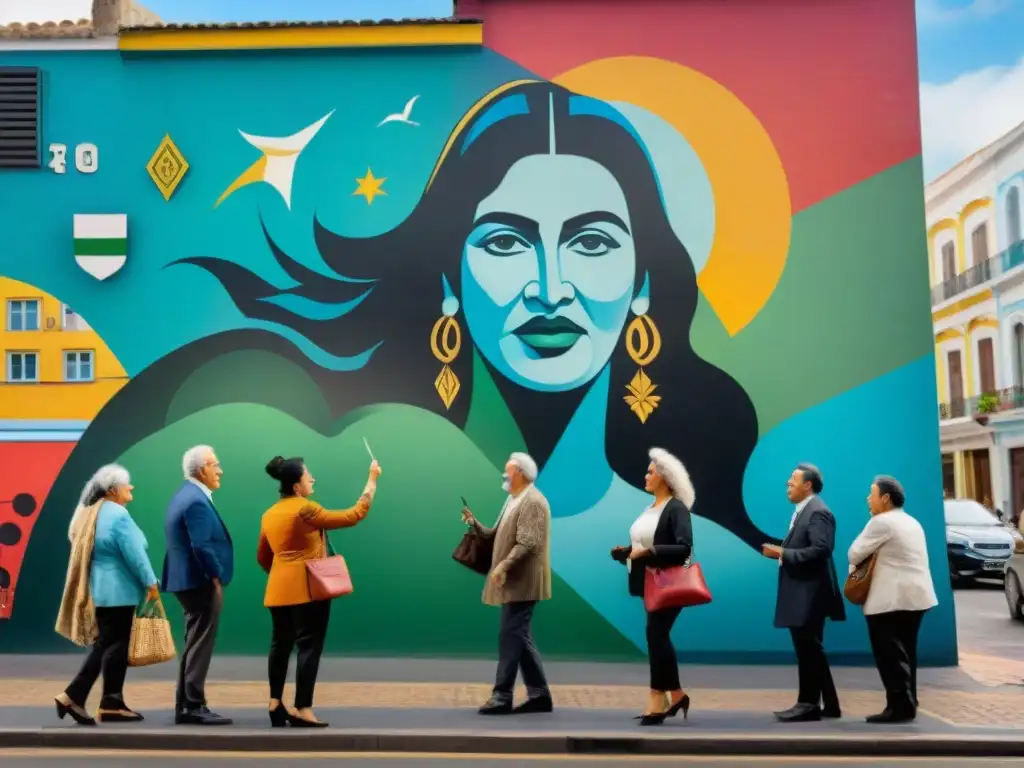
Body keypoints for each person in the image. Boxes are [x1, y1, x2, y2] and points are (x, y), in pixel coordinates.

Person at [257, 455, 380, 728]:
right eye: (307, 475)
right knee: (308, 648)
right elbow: (353, 515)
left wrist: (282, 576)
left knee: (280, 646)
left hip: (278, 591)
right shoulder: (306, 510)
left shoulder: (269, 514)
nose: (312, 479)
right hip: (308, 591)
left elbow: (263, 557)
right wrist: (372, 480)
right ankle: (303, 708)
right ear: (297, 487)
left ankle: (275, 702)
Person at [55, 464, 159, 725]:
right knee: (110, 646)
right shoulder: (118, 515)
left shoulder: (92, 512)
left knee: (112, 646)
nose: (131, 488)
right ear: (114, 490)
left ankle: (111, 702)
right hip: (120, 591)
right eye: (127, 484)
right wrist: (150, 582)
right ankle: (73, 695)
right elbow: (135, 553)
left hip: (100, 590)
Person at [462, 452, 552, 715]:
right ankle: (539, 695)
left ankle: (502, 695)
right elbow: (496, 534)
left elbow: (527, 542)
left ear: (520, 473)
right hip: (516, 580)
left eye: (508, 471)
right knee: (519, 635)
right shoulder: (514, 500)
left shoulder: (533, 501)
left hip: (523, 581)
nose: (504, 475)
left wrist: (503, 566)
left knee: (510, 635)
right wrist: (474, 524)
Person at [611, 447, 694, 726]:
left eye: (651, 472)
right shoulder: (650, 509)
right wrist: (626, 552)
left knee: (656, 634)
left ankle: (657, 698)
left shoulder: (676, 508)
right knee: (657, 637)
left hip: (669, 583)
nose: (645, 476)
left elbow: (683, 548)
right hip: (650, 583)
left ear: (666, 477)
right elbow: (643, 546)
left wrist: (648, 553)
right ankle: (677, 694)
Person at [848, 475, 938, 723]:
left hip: (889, 599)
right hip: (917, 597)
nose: (868, 499)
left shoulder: (881, 522)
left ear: (885, 499)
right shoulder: (912, 522)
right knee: (907, 652)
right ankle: (910, 700)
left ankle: (899, 707)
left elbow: (854, 553)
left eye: (872, 494)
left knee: (889, 655)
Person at [761, 463, 845, 722]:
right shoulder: (806, 511)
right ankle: (829, 705)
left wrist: (782, 553)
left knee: (808, 648)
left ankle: (808, 704)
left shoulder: (818, 512)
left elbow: (821, 549)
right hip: (805, 590)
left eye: (793, 479)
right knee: (810, 647)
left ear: (807, 485)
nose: (788, 483)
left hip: (810, 592)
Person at [162, 445, 233, 726]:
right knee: (201, 643)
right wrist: (215, 576)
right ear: (202, 469)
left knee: (194, 642)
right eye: (216, 465)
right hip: (199, 581)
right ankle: (193, 706)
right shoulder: (196, 501)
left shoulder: (184, 495)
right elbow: (201, 545)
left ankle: (186, 705)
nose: (220, 470)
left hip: (186, 580)